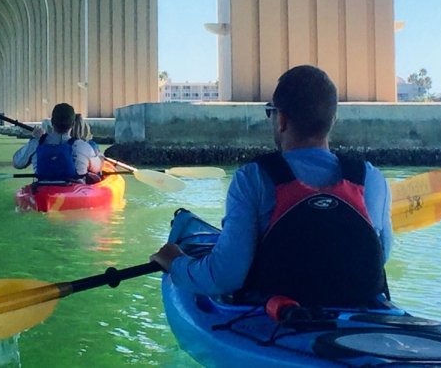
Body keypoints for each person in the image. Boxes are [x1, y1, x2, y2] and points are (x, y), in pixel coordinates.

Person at [150, 65, 392, 309]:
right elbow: (379, 256)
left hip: (279, 319)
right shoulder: (372, 178)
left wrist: (176, 263)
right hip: (360, 316)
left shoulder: (252, 179)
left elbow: (225, 277)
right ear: (333, 120)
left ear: (282, 119)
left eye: (271, 113)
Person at [13, 102, 102, 183]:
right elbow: (97, 168)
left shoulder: (36, 143)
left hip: (43, 190)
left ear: (52, 122)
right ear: (73, 124)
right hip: (74, 191)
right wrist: (99, 156)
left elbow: (17, 163)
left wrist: (34, 138)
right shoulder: (82, 146)